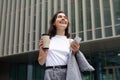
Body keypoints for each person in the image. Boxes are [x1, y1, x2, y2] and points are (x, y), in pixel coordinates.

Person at [38, 11, 94, 80]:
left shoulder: (71, 41)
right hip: (50, 73)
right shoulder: (47, 40)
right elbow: (41, 62)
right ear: (54, 23)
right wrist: (45, 51)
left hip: (67, 73)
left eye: (65, 18)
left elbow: (75, 61)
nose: (63, 18)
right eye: (60, 17)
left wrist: (76, 51)